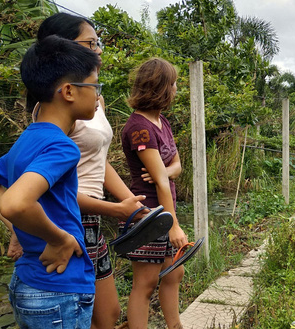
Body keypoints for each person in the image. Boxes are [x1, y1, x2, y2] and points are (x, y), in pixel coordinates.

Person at [18, 13, 149, 329]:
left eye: (98, 43)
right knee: (74, 310)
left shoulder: (92, 99)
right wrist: (115, 209)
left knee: (106, 314)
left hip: (89, 218)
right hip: (65, 216)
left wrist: (131, 203)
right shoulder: (55, 111)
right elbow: (37, 184)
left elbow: (97, 159)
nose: (99, 50)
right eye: (90, 43)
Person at [0, 35, 100, 328]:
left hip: (27, 283)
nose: (98, 96)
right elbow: (15, 202)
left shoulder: (29, 138)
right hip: (58, 289)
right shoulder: (62, 146)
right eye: (95, 86)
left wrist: (19, 229)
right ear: (69, 91)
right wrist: (59, 238)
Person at [121, 57, 188, 329]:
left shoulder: (162, 121)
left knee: (175, 272)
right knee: (145, 283)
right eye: (172, 84)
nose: (175, 90)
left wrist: (166, 171)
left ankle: (176, 326)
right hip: (147, 215)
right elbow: (158, 183)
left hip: (164, 209)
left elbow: (177, 166)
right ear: (159, 87)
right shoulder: (139, 128)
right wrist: (173, 226)